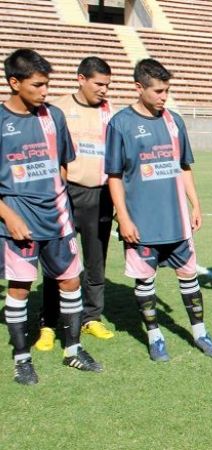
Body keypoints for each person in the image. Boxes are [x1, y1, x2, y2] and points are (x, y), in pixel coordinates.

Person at [105, 58, 212, 361]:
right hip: (141, 223)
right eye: (157, 91)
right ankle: (155, 337)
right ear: (138, 88)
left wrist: (195, 203)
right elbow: (114, 176)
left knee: (189, 275)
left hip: (176, 220)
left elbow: (184, 166)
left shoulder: (174, 121)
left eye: (166, 90)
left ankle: (200, 333)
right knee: (145, 281)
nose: (163, 97)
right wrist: (124, 218)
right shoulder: (120, 124)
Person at [1, 49, 102, 385]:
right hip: (18, 221)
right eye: (38, 85)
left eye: (47, 84)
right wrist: (9, 216)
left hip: (57, 218)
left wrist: (58, 201)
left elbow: (62, 163)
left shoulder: (54, 116)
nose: (45, 91)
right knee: (19, 287)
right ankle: (22, 359)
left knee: (70, 281)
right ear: (15, 83)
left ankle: (72, 351)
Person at [33, 57, 115, 353]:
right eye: (98, 84)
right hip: (66, 194)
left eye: (107, 85)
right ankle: (49, 323)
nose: (104, 90)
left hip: (101, 195)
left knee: (96, 261)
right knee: (59, 261)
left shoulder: (109, 112)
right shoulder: (57, 110)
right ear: (81, 79)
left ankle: (91, 317)